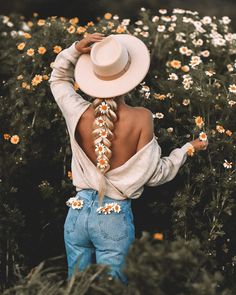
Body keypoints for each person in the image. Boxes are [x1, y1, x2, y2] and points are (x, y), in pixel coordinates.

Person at [48, 32, 208, 285]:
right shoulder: (142, 117)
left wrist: (76, 49)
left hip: (76, 213)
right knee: (113, 288)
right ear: (130, 77)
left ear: (94, 76)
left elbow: (58, 78)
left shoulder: (76, 112)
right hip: (112, 218)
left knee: (76, 286)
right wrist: (187, 148)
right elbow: (156, 174)